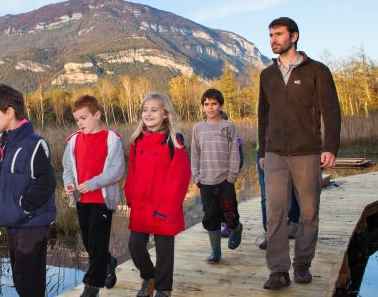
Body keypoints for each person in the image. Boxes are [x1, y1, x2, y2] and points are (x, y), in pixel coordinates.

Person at [258, 17, 341, 290]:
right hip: (274, 153)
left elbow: (331, 110)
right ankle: (278, 270)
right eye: (271, 35)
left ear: (294, 36)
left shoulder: (317, 70)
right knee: (275, 212)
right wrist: (262, 148)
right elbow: (263, 115)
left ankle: (303, 264)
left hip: (307, 152)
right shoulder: (266, 75)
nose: (273, 40)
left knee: (309, 211)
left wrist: (330, 147)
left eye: (278, 34)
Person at [0, 84, 57, 297]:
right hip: (13, 222)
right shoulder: (4, 143)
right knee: (20, 277)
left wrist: (24, 204)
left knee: (29, 278)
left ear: (10, 112)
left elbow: (47, 182)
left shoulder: (33, 144)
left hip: (31, 222)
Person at [125, 93, 191, 297]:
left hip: (164, 207)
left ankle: (163, 289)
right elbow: (133, 172)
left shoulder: (174, 141)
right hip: (142, 206)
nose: (148, 114)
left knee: (164, 252)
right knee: (135, 245)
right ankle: (149, 277)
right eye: (145, 110)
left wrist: (168, 207)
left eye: (154, 110)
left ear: (165, 113)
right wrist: (131, 197)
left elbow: (180, 176)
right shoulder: (137, 140)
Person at [62, 95, 125, 297]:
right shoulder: (73, 141)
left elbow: (116, 170)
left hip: (102, 200)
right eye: (77, 120)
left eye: (83, 118)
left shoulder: (111, 139)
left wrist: (92, 184)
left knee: (97, 243)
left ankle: (92, 287)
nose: (80, 123)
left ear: (97, 115)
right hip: (81, 200)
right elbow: (67, 168)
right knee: (90, 243)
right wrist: (69, 183)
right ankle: (108, 261)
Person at [190, 89, 243, 264]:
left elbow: (234, 152)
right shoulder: (198, 128)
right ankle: (215, 251)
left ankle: (236, 228)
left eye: (214, 103)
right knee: (210, 215)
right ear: (203, 107)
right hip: (205, 181)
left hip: (225, 180)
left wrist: (232, 176)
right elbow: (195, 154)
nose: (210, 107)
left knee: (230, 213)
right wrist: (196, 176)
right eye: (206, 104)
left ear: (220, 105)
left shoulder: (228, 127)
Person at [257, 144, 301, 250]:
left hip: (285, 146)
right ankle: (270, 232)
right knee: (266, 194)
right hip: (264, 148)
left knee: (288, 188)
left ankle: (294, 222)